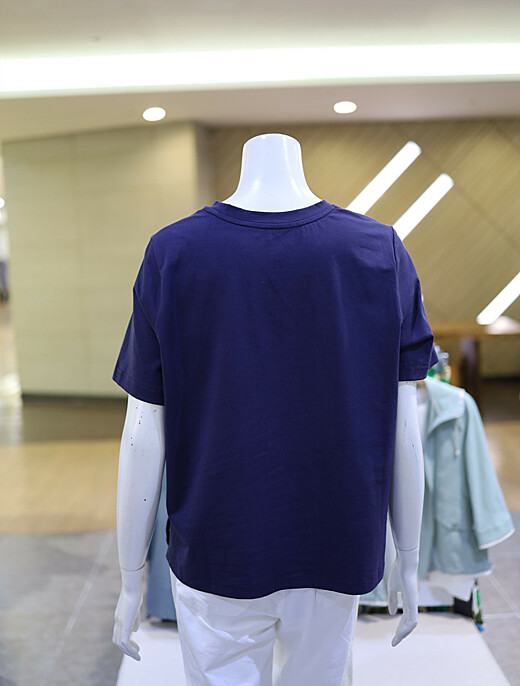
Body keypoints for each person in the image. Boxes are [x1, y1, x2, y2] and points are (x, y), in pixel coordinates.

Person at [112, 133, 438, 685]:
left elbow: (142, 428)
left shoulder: (174, 252)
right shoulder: (376, 250)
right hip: (336, 538)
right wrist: (407, 555)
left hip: (219, 539)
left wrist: (129, 575)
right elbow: (407, 426)